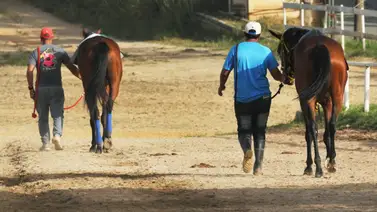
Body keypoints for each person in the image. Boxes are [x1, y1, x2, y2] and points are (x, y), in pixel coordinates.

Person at [218, 21, 286, 175]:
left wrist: (221, 86)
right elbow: (276, 75)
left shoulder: (235, 50)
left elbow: (225, 72)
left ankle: (247, 149)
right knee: (260, 131)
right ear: (259, 35)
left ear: (245, 34)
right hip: (263, 98)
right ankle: (258, 167)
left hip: (242, 99)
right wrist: (286, 79)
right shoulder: (266, 52)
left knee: (244, 130)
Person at [26, 27, 81, 151]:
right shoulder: (60, 51)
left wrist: (31, 88)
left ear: (41, 39)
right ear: (52, 38)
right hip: (56, 88)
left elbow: (30, 71)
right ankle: (57, 136)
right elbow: (72, 68)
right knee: (57, 114)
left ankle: (46, 144)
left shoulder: (36, 52)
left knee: (43, 117)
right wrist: (84, 79)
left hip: (41, 89)